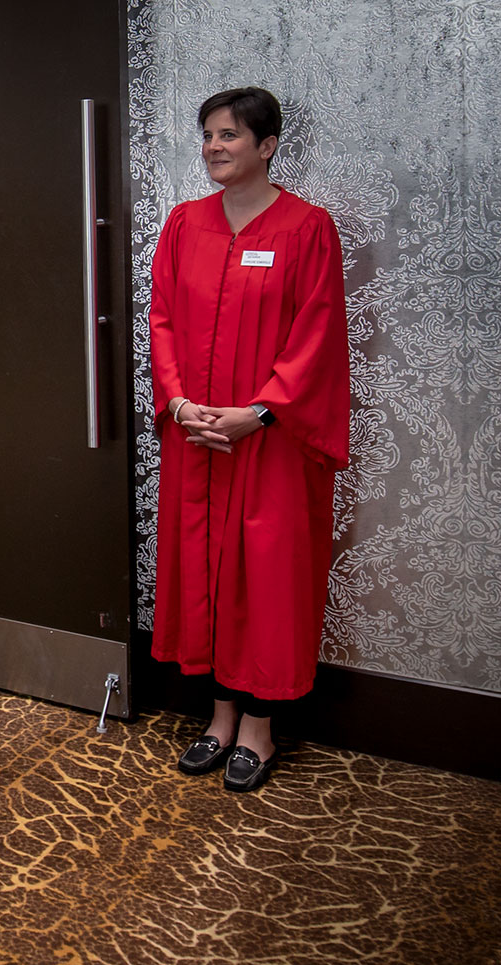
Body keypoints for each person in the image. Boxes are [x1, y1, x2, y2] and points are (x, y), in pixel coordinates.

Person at [149, 86, 350, 792]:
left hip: (269, 439)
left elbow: (317, 333)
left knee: (263, 577)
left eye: (229, 135)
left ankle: (261, 729)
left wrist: (258, 412)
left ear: (267, 146)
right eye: (207, 135)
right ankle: (220, 716)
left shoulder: (306, 228)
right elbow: (164, 319)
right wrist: (178, 403)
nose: (213, 147)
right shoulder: (184, 224)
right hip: (197, 434)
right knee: (204, 569)